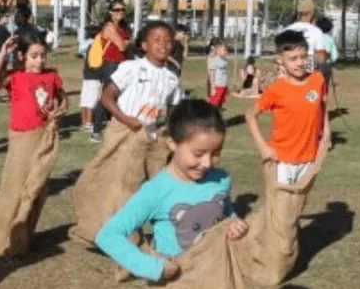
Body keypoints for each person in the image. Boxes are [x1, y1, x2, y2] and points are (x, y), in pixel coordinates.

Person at [95, 98, 248, 279]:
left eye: (216, 153)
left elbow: (223, 210)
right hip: (175, 288)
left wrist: (234, 223)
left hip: (217, 280)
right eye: (198, 154)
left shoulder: (220, 179)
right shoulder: (155, 191)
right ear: (172, 143)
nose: (207, 163)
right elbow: (108, 235)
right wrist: (152, 267)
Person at [71, 21, 183, 247]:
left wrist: (169, 133)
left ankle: (166, 238)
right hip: (125, 133)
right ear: (144, 44)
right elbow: (107, 97)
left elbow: (172, 110)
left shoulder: (172, 77)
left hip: (153, 138)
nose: (163, 44)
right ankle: (122, 238)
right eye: (157, 39)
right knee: (121, 187)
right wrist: (126, 120)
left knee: (159, 188)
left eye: (168, 40)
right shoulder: (131, 68)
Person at [0, 33, 69, 257]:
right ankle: (3, 240)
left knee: (36, 190)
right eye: (33, 56)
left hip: (44, 138)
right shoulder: (15, 77)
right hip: (21, 140)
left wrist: (58, 109)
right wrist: (3, 53)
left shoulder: (52, 76)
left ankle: (23, 238)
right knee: (14, 189)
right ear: (22, 57)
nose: (39, 61)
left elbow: (63, 99)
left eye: (43, 56)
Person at [246, 30, 330, 185]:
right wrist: (262, 147)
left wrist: (326, 132)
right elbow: (250, 115)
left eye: (303, 57)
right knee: (281, 206)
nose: (300, 63)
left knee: (298, 206)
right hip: (282, 160)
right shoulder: (276, 89)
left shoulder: (317, 80)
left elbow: (322, 102)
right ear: (280, 60)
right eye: (293, 59)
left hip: (309, 157)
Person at [89, 0, 132, 143]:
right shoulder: (109, 27)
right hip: (111, 65)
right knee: (107, 97)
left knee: (116, 96)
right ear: (110, 12)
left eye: (122, 10)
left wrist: (126, 42)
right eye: (116, 10)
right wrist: (126, 42)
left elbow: (126, 44)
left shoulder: (121, 27)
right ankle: (96, 131)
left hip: (119, 65)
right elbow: (122, 47)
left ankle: (111, 125)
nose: (120, 12)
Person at [284, 0, 326, 74]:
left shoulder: (286, 30)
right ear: (312, 13)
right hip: (308, 72)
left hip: (289, 73)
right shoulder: (316, 31)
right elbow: (321, 58)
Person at [79, 25, 102, 132]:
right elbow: (95, 64)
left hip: (87, 76)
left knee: (85, 100)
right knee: (91, 101)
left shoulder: (89, 45)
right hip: (94, 77)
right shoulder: (96, 46)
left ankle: (84, 122)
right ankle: (88, 123)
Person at [316, 16, 339, 87]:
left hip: (315, 66)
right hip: (326, 66)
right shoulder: (330, 39)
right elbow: (334, 56)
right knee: (324, 87)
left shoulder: (315, 37)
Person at [207, 37, 229, 107]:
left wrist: (226, 86)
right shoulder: (215, 60)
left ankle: (217, 116)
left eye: (226, 50)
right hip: (217, 86)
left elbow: (225, 75)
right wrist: (213, 87)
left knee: (220, 103)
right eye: (224, 50)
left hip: (223, 86)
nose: (226, 52)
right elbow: (212, 74)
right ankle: (211, 116)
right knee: (214, 103)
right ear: (217, 50)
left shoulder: (225, 61)